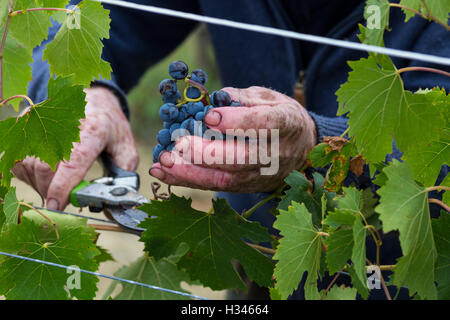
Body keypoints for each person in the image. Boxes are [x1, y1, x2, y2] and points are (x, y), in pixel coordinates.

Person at [14, 0, 449, 299]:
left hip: (405, 271)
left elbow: (437, 155)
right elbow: (94, 20)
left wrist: (322, 146)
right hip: (257, 258)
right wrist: (85, 93)